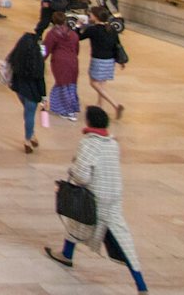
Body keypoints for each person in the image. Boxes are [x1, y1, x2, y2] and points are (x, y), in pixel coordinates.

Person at [43, 107, 148, 291]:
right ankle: (140, 284)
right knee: (124, 240)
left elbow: (82, 176)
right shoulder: (112, 143)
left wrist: (73, 169)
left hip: (94, 198)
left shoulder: (89, 143)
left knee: (76, 222)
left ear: (89, 123)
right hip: (113, 198)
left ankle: (67, 255)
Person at [79, 6, 125, 119]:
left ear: (96, 16)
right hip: (110, 60)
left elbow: (79, 37)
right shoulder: (112, 29)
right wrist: (121, 61)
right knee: (102, 84)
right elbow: (117, 45)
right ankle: (100, 106)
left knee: (94, 83)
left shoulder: (93, 29)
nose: (90, 16)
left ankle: (115, 104)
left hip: (98, 60)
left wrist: (78, 26)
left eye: (91, 14)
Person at [7, 31, 47, 153]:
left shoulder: (17, 56)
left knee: (27, 113)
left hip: (20, 90)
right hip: (32, 92)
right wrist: (44, 97)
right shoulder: (38, 61)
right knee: (30, 115)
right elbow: (40, 80)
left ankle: (32, 134)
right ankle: (27, 140)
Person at [45, 11, 82, 121]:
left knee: (62, 84)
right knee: (71, 84)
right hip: (73, 61)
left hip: (59, 62)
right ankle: (70, 108)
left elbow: (46, 48)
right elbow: (77, 49)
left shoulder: (52, 34)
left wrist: (39, 59)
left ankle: (67, 110)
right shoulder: (73, 34)